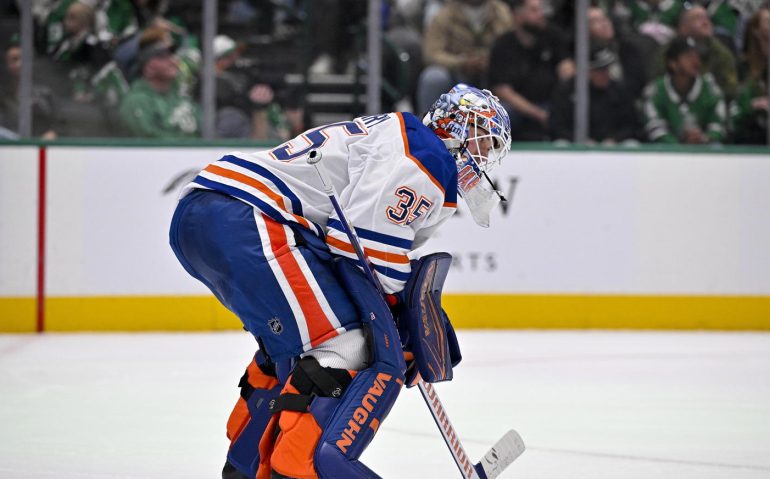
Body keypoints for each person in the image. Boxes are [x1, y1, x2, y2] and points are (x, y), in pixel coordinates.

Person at [168, 84, 511, 479]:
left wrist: (402, 310)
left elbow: (355, 247)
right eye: (484, 142)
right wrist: (407, 319)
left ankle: (248, 466)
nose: (484, 157)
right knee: (348, 344)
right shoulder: (428, 158)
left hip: (209, 212)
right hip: (249, 219)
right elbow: (363, 246)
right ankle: (299, 467)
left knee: (292, 350)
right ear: (457, 128)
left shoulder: (400, 135)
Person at [488, 0, 574, 141]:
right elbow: (503, 90)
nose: (541, 14)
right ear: (517, 15)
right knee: (498, 115)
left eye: (541, 10)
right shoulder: (503, 45)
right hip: (518, 107)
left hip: (552, 103)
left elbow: (568, 70)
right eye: (534, 11)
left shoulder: (554, 36)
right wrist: (538, 113)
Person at [416, 0, 512, 113]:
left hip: (493, 72)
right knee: (434, 77)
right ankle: (427, 124)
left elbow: (511, 45)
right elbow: (432, 54)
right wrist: (462, 62)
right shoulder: (444, 15)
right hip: (456, 73)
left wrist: (489, 60)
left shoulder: (501, 12)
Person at [642, 35, 727, 144]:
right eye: (688, 56)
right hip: (668, 154)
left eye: (697, 56)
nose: (696, 61)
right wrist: (679, 147)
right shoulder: (656, 90)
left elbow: (719, 123)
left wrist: (704, 138)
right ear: (673, 64)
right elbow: (654, 127)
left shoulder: (710, 87)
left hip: (704, 151)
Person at [119, 27, 200, 138]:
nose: (173, 61)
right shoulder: (136, 102)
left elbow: (207, 131)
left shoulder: (181, 96)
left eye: (172, 55)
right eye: (163, 56)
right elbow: (152, 143)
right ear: (148, 67)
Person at [549, 46, 640, 144]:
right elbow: (557, 126)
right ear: (587, 72)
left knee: (631, 144)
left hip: (612, 145)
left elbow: (631, 124)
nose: (606, 74)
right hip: (576, 145)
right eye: (600, 71)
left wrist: (615, 139)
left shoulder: (619, 90)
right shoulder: (567, 91)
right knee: (560, 144)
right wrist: (579, 140)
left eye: (607, 69)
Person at [731, 7, 769, 144]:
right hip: (751, 129)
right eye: (768, 21)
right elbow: (735, 95)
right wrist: (753, 105)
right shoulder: (743, 65)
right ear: (756, 30)